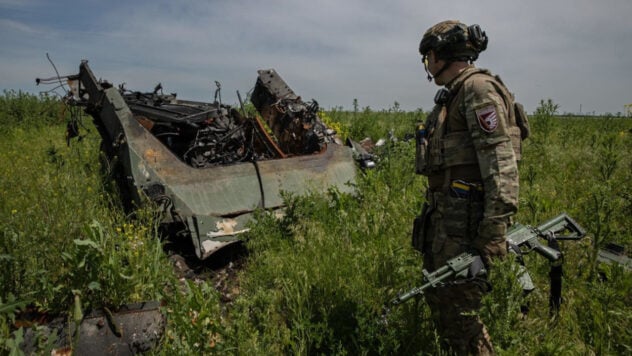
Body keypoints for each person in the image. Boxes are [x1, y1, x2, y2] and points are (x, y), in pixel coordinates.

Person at [412, 20, 528, 355]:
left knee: (462, 321)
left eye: (426, 58)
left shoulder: (477, 91)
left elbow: (501, 168)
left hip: (466, 231)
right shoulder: (454, 96)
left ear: (438, 55)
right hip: (447, 226)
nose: (427, 66)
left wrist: (491, 237)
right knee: (446, 311)